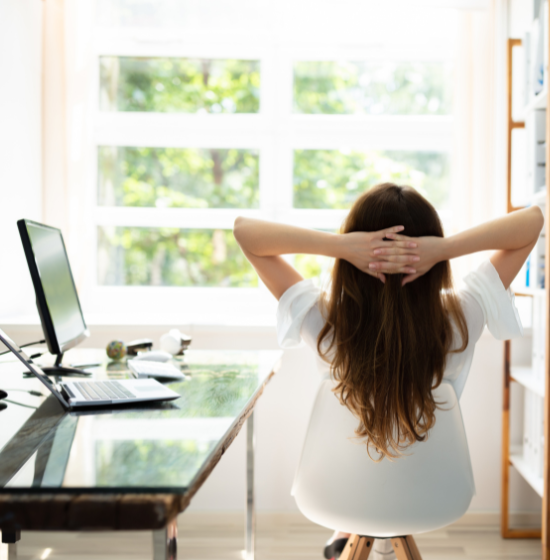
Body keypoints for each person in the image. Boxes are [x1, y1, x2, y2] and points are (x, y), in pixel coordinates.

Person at [233, 182, 544, 560]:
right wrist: (442, 249)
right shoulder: (461, 317)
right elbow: (533, 222)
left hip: (336, 493)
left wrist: (342, 247)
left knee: (358, 456)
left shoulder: (326, 321)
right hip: (431, 495)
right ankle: (364, 534)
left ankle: (347, 530)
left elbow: (244, 232)